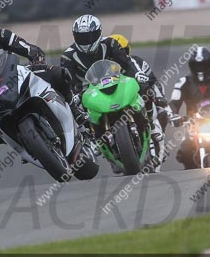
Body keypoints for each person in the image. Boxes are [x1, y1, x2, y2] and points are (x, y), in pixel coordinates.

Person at [0, 7, 90, 147]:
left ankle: (74, 110)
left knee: (59, 74)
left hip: (18, 79)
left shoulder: (1, 36)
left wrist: (36, 59)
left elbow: (29, 49)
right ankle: (25, 144)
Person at [60, 15, 163, 169]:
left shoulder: (110, 43)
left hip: (116, 80)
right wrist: (74, 95)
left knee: (143, 87)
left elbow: (127, 64)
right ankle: (89, 139)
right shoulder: (68, 56)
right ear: (75, 37)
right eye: (81, 37)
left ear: (98, 33)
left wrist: (137, 75)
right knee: (74, 111)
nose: (86, 41)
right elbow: (68, 82)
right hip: (88, 90)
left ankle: (150, 121)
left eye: (90, 36)